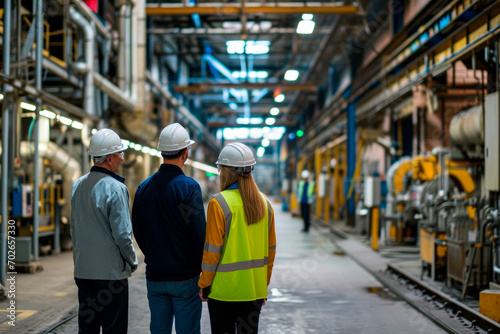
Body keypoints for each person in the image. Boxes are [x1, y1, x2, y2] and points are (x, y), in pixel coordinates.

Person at [132, 123, 206, 334]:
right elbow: (198, 232)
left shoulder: (144, 188)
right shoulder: (189, 187)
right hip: (184, 277)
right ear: (185, 153)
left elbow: (137, 228)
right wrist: (200, 268)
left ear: (162, 152)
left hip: (155, 276)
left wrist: (154, 254)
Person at [199, 142, 276, 334]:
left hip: (224, 292)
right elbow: (270, 251)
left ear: (226, 171)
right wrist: (263, 285)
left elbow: (212, 251)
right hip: (254, 291)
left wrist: (204, 284)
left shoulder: (219, 203)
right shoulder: (265, 204)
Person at [70, 128, 138, 334]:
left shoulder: (77, 186)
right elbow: (123, 235)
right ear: (109, 159)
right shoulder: (116, 188)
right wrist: (132, 261)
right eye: (120, 155)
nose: (122, 160)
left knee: (87, 329)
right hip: (110, 277)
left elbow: (75, 227)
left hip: (84, 272)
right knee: (113, 329)